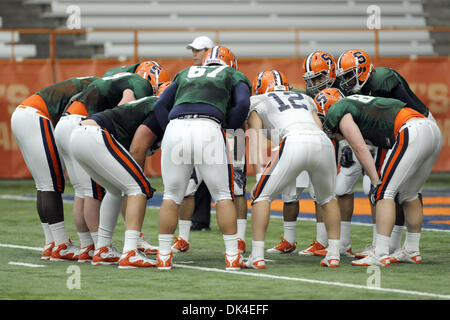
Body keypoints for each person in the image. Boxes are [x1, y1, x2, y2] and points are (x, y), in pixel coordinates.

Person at [314, 88, 442, 266]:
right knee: (409, 194)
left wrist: (375, 180)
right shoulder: (358, 107)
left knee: (384, 193)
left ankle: (381, 252)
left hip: (411, 129)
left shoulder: (337, 110)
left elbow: (359, 148)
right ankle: (412, 249)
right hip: (431, 129)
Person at [152, 45, 251, 270]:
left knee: (171, 196)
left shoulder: (186, 72)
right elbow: (243, 103)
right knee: (223, 195)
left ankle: (164, 256)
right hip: (208, 126)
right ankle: (233, 256)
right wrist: (230, 126)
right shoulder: (233, 74)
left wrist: (169, 131)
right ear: (230, 63)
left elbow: (160, 105)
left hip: (176, 127)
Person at [335, 49, 434, 259]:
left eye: (350, 74)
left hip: (409, 128)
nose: (346, 81)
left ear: (363, 71)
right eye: (343, 76)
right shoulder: (362, 89)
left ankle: (382, 248)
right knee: (407, 192)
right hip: (412, 130)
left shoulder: (381, 79)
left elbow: (404, 110)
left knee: (383, 189)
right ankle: (406, 248)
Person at [55, 70, 158, 265]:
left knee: (98, 189)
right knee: (137, 187)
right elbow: (127, 109)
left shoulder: (117, 76)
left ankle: (93, 246)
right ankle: (110, 248)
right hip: (88, 128)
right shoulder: (143, 88)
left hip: (70, 124)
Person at [247, 70, 342, 269]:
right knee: (328, 198)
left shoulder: (257, 100)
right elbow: (320, 128)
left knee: (260, 196)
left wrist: (258, 172)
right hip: (322, 143)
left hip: (294, 140)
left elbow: (254, 138)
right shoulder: (304, 98)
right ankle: (333, 254)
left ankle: (256, 256)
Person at [10, 76, 97, 261]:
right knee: (52, 183)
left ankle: (52, 242)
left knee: (44, 185)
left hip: (26, 113)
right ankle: (61, 245)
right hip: (36, 115)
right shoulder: (101, 88)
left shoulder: (97, 83)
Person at [266, 51, 341, 257]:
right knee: (290, 194)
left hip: (327, 146)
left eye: (319, 77)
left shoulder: (342, 92)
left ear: (332, 73)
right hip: (301, 143)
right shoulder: (305, 95)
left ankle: (323, 241)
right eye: (312, 79)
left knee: (322, 195)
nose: (315, 82)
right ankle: (289, 241)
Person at [178, 35, 216, 234]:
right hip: (197, 131)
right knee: (194, 177)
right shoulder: (191, 73)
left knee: (231, 184)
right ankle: (198, 220)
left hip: (218, 131)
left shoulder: (221, 74)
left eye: (198, 50)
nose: (194, 54)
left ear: (209, 51)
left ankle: (238, 230)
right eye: (193, 50)